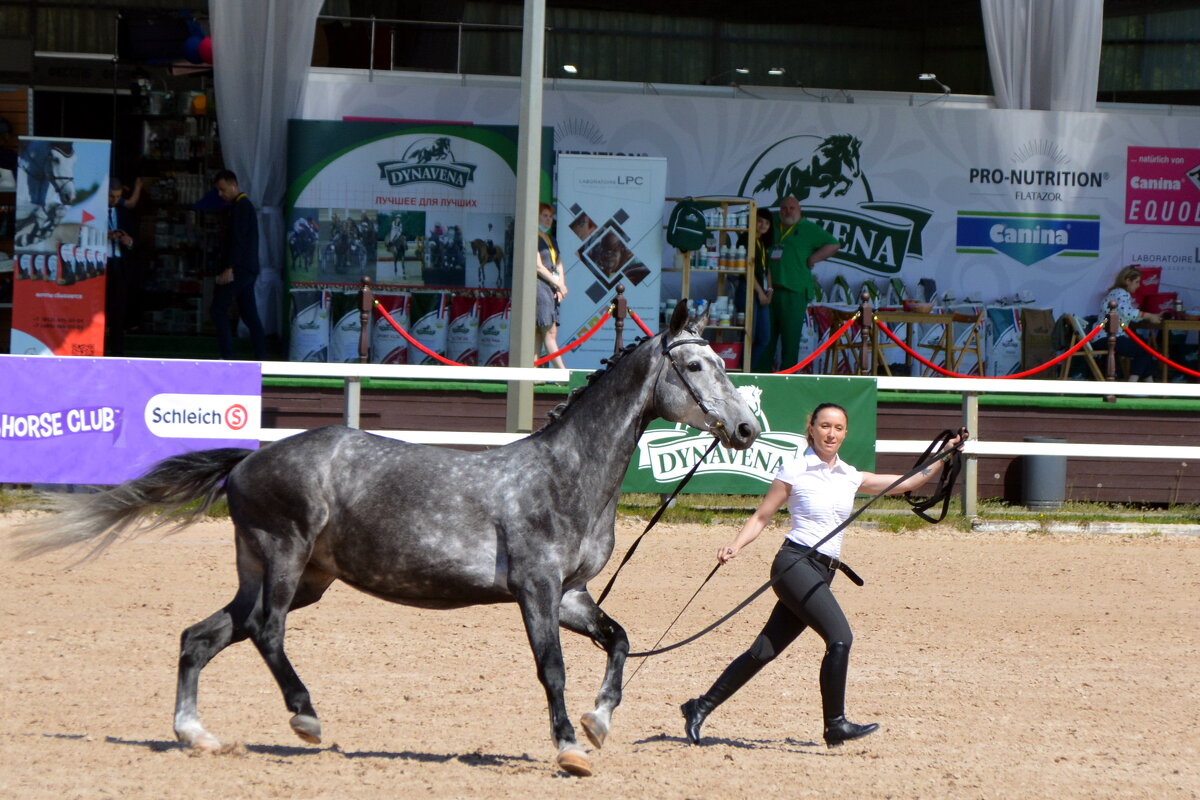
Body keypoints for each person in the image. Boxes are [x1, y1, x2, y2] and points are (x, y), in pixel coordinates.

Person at [681, 403, 966, 748]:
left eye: (839, 428)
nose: (831, 433)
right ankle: (835, 724)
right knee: (840, 637)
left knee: (763, 651)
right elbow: (761, 517)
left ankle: (699, 707)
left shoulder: (850, 475)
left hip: (822, 571)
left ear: (845, 434)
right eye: (825, 426)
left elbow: (909, 482)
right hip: (793, 564)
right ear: (812, 428)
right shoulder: (795, 469)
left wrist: (945, 455)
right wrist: (735, 546)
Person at [761, 195, 840, 371]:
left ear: (799, 210)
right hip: (769, 292)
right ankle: (761, 378)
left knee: (791, 341)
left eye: (791, 208)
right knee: (766, 339)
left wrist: (814, 257)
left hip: (794, 291)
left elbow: (834, 244)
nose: (787, 211)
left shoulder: (808, 228)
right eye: (783, 208)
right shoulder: (771, 225)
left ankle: (787, 380)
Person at [211, 169, 267, 360]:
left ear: (234, 185)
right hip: (247, 268)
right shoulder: (243, 206)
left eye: (222, 189)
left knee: (218, 309)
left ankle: (227, 355)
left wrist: (229, 267)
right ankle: (261, 357)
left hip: (239, 268)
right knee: (249, 314)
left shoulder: (241, 207)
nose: (220, 194)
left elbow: (238, 240)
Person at [1100, 265, 1160, 382]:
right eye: (1137, 282)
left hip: (1103, 337)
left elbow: (1125, 314)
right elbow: (1127, 312)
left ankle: (1150, 386)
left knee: (1144, 350)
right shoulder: (1121, 293)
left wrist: (1149, 317)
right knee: (1144, 351)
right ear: (1128, 281)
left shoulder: (1115, 292)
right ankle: (1132, 385)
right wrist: (1148, 315)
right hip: (1109, 337)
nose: (1138, 286)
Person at [535, 202, 568, 370]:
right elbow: (538, 266)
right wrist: (558, 284)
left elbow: (559, 262)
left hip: (551, 288)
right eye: (544, 216)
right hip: (539, 288)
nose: (548, 220)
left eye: (550, 217)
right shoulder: (532, 236)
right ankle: (562, 374)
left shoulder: (550, 238)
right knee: (549, 332)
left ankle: (532, 375)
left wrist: (561, 284)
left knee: (538, 335)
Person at [105, 177, 136, 356]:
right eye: (111, 196)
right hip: (101, 263)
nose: (114, 200)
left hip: (119, 264)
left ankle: (117, 352)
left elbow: (134, 240)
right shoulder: (95, 212)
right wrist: (104, 235)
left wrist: (128, 240)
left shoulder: (123, 212)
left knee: (118, 311)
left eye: (117, 197)